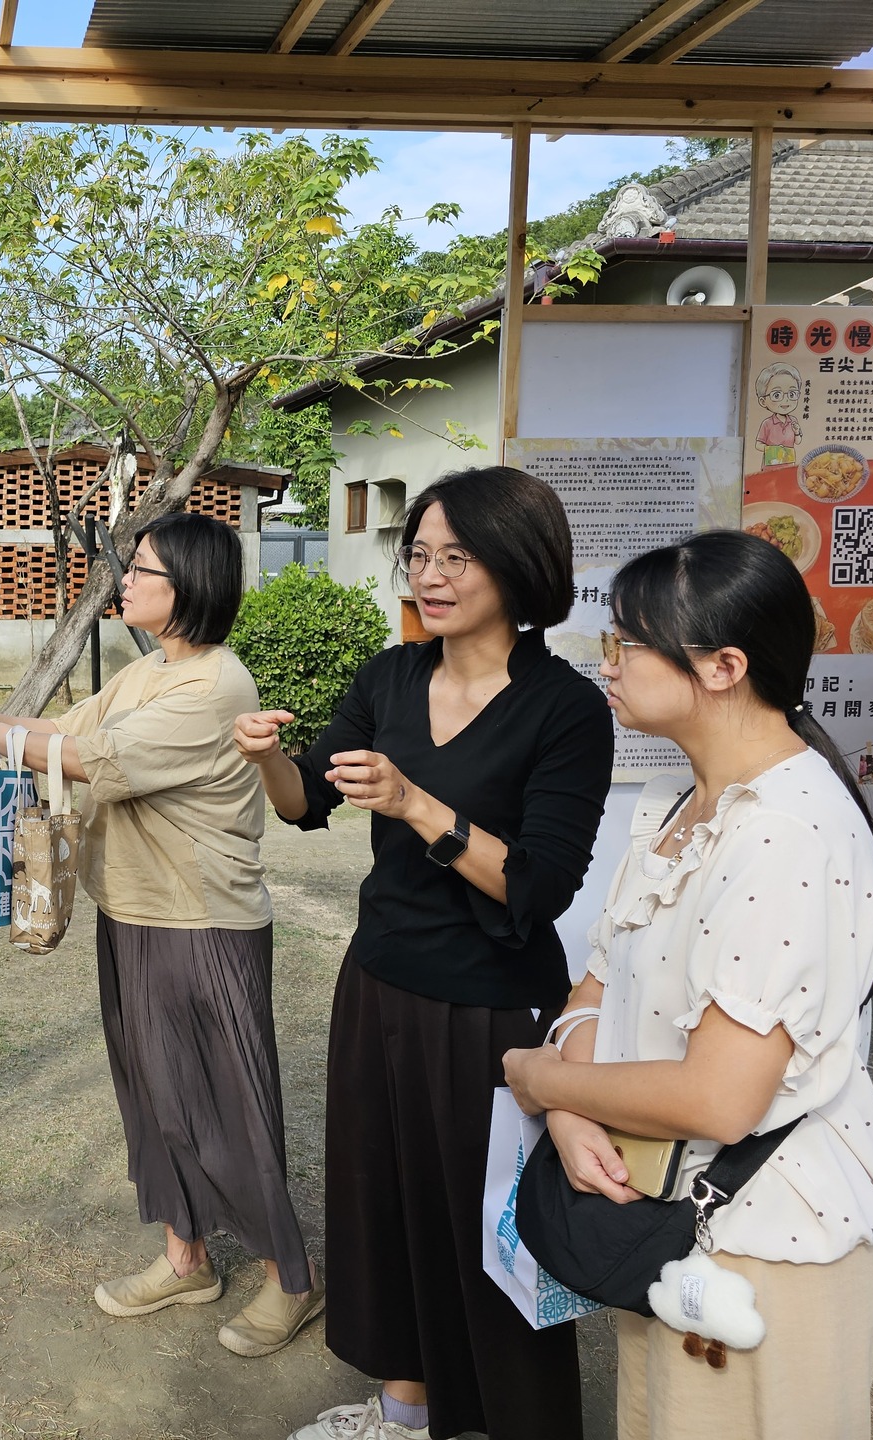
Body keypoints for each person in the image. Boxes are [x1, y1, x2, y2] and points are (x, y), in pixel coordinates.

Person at [234, 466, 613, 1440]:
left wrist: (415, 805)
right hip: (380, 986)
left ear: (517, 566)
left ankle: (508, 1421)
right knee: (385, 1212)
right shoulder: (391, 677)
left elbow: (538, 887)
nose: (431, 576)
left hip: (492, 1010)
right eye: (421, 554)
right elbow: (303, 804)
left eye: (459, 556)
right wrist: (269, 756)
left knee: (493, 1240)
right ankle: (402, 1411)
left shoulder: (565, 709)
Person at [501, 531, 873, 1440]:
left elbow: (721, 1097)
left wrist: (539, 1081)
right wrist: (569, 1114)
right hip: (670, 1226)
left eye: (624, 645)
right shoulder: (679, 806)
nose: (607, 664)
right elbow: (593, 987)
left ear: (723, 666)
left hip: (769, 1248)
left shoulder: (785, 833)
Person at [0, 511, 321, 1359]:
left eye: (143, 570)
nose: (125, 581)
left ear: (192, 589)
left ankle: (294, 1279)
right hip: (133, 912)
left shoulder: (216, 687)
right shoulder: (150, 674)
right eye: (130, 567)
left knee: (231, 1107)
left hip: (204, 922)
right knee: (155, 1097)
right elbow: (71, 733)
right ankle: (187, 1256)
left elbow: (94, 764)